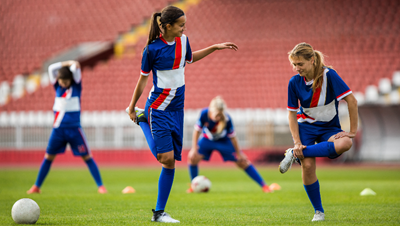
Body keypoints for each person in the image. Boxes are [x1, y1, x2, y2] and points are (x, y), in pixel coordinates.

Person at [126, 5, 238, 223]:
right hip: (157, 107)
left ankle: (142, 121)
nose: (184, 28)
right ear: (167, 26)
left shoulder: (183, 42)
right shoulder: (151, 50)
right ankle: (159, 213)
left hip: (177, 109)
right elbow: (143, 80)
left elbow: (190, 59)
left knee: (169, 162)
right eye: (181, 25)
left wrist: (214, 47)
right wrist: (132, 106)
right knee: (165, 159)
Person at [278, 43, 358, 221]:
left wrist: (352, 131)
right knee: (307, 166)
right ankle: (318, 212)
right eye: (294, 64)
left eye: (300, 64)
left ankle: (294, 153)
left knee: (346, 142)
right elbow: (292, 115)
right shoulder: (294, 82)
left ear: (312, 60)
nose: (296, 68)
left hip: (330, 127)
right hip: (306, 127)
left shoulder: (330, 76)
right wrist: (297, 141)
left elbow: (352, 101)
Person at [27, 60, 107, 194]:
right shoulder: (57, 87)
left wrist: (72, 64)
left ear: (71, 79)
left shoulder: (76, 86)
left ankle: (101, 186)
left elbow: (76, 66)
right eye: (61, 81)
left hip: (75, 129)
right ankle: (36, 186)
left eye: (65, 82)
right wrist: (66, 63)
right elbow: (52, 67)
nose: (63, 84)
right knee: (48, 157)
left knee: (87, 156)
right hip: (58, 130)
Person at [187, 96, 280, 193]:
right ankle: (194, 186)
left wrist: (239, 153)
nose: (218, 118)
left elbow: (233, 138)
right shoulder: (204, 113)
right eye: (216, 115)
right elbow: (197, 131)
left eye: (220, 115)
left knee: (243, 162)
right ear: (211, 110)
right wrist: (194, 148)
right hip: (207, 140)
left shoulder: (227, 119)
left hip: (224, 141)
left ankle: (264, 186)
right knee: (192, 157)